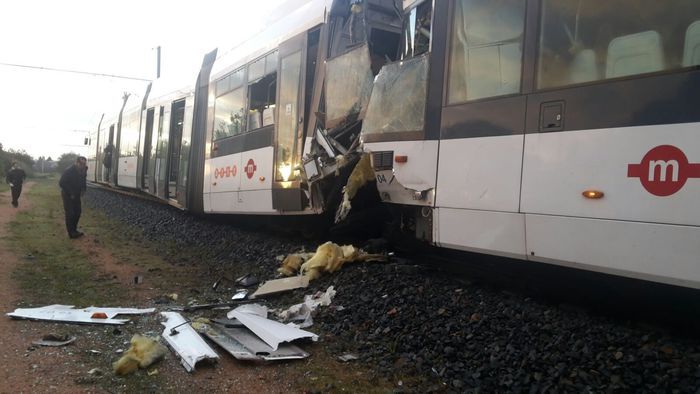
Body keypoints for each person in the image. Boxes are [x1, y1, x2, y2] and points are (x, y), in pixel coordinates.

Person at [59, 156, 87, 239]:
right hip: (68, 195)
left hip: (76, 195)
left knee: (78, 213)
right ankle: (71, 233)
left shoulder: (83, 171)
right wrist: (70, 192)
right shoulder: (69, 171)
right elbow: (61, 183)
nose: (83, 165)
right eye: (81, 164)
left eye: (84, 164)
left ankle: (74, 230)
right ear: (77, 163)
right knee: (70, 213)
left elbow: (83, 181)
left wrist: (83, 189)